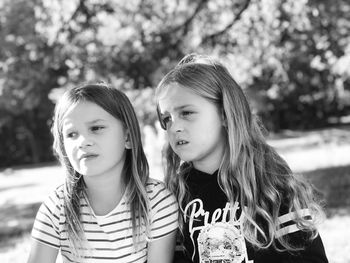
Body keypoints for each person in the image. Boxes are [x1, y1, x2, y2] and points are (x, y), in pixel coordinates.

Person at [155, 54, 328, 263]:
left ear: (225, 114)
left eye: (187, 113)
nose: (175, 126)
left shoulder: (272, 185)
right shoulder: (175, 196)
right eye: (167, 119)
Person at [27, 83, 179, 263]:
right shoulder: (58, 206)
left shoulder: (156, 201)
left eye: (96, 128)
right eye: (71, 134)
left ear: (128, 138)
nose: (82, 142)